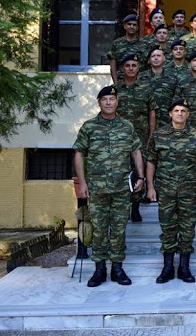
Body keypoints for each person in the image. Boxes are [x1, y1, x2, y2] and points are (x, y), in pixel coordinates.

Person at [73, 85, 145, 287]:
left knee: (119, 229)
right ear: (99, 103)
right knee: (99, 229)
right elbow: (79, 154)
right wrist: (83, 182)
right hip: (97, 188)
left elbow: (136, 152)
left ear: (117, 102)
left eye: (111, 99)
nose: (108, 102)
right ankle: (99, 269)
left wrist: (141, 177)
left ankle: (117, 268)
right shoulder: (89, 127)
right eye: (104, 99)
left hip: (121, 188)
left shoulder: (127, 126)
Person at [146, 98, 196, 284]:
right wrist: (150, 187)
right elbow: (151, 162)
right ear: (170, 114)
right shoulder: (159, 136)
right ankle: (167, 267)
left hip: (188, 191)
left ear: (188, 114)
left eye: (183, 111)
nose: (180, 114)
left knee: (187, 229)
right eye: (176, 111)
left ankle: (184, 267)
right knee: (167, 229)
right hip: (165, 190)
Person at [114, 53, 157, 221]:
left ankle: (135, 208)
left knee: (139, 171)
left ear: (138, 68)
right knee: (121, 170)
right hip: (120, 138)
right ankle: (122, 206)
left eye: (134, 65)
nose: (131, 68)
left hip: (141, 137)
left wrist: (151, 135)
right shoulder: (115, 89)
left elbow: (151, 112)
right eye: (127, 66)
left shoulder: (146, 89)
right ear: (122, 69)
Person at [139, 47, 178, 129]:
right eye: (153, 56)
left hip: (167, 119)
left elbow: (177, 97)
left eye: (159, 56)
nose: (156, 58)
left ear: (164, 58)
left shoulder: (173, 76)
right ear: (149, 60)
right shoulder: (141, 77)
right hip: (145, 120)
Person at [107, 14, 147, 84]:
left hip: (141, 84)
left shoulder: (144, 43)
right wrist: (116, 84)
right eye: (129, 24)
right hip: (122, 83)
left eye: (134, 25)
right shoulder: (117, 44)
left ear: (137, 27)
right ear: (124, 26)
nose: (131, 26)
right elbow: (113, 66)